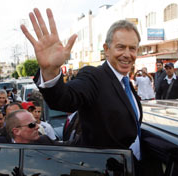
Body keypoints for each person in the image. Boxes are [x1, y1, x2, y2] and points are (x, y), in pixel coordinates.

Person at [22, 9, 142, 159]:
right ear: (106, 49)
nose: (127, 54)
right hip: (108, 172)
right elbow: (64, 99)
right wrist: (50, 71)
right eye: (120, 47)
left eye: (132, 48)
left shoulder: (126, 83)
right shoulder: (94, 76)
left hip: (133, 167)